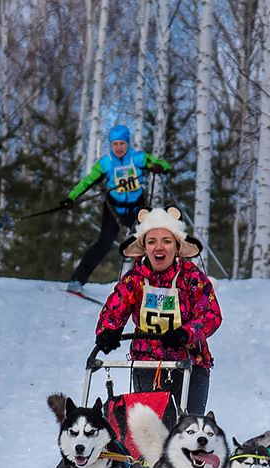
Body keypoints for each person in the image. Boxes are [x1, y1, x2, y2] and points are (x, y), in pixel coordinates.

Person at [93, 207, 222, 416]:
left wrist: (186, 333)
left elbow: (211, 314)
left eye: (166, 241)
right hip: (147, 363)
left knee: (187, 432)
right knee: (150, 435)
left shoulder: (191, 277)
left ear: (177, 246)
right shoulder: (134, 279)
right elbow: (114, 308)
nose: (158, 247)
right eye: (152, 241)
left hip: (190, 362)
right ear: (144, 247)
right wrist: (108, 331)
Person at [61, 124, 172, 293]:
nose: (118, 148)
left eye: (122, 143)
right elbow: (86, 182)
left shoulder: (139, 158)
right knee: (103, 244)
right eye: (115, 144)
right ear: (110, 145)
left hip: (137, 209)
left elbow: (165, 165)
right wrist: (71, 197)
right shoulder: (105, 163)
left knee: (149, 243)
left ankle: (154, 284)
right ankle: (77, 280)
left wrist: (159, 167)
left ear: (128, 144)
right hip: (114, 208)